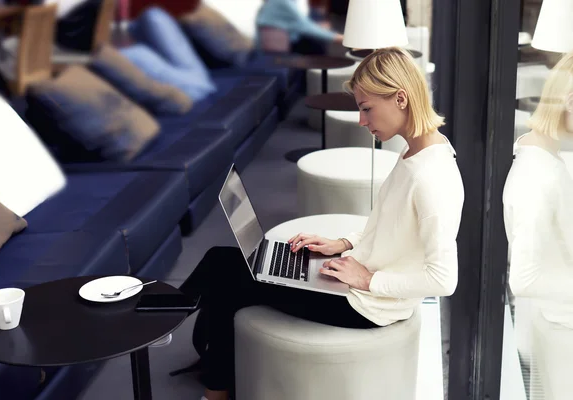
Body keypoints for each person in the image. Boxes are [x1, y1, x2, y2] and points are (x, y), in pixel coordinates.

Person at [180, 47, 465, 400]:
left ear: (401, 99)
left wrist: (368, 279)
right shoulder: (417, 151)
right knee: (220, 260)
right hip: (354, 278)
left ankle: (209, 383)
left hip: (365, 305)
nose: (362, 121)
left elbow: (444, 279)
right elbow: (389, 223)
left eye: (366, 108)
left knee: (227, 279)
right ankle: (185, 340)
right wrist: (344, 243)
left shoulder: (431, 177)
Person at [502, 50, 573, 399]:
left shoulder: (540, 153)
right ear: (571, 101)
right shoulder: (537, 177)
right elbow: (524, 279)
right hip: (572, 312)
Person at [256, 0, 344, 55]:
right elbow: (304, 26)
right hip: (275, 52)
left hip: (287, 42)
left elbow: (296, 24)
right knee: (317, 45)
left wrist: (318, 27)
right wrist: (337, 37)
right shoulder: (282, 2)